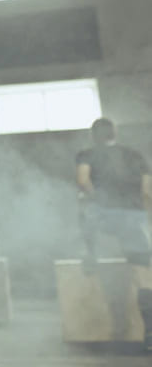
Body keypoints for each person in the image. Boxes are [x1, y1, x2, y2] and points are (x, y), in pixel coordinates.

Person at [76, 117, 152, 348]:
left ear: (93, 136)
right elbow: (147, 192)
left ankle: (90, 254)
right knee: (143, 276)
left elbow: (82, 180)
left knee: (84, 205)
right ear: (115, 133)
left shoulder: (87, 154)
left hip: (104, 217)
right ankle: (150, 333)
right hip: (133, 217)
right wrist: (144, 218)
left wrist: (97, 197)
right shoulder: (135, 155)